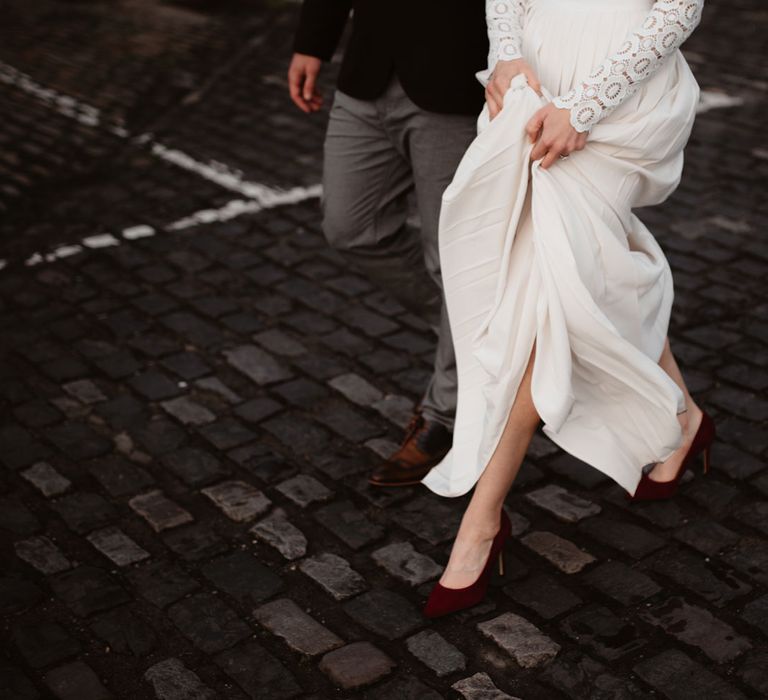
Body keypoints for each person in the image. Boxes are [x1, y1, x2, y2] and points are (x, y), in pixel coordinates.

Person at [421, 0, 715, 618]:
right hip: (532, 86)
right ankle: (683, 417)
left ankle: (481, 522)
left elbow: (680, 7)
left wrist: (585, 106)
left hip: (621, 95)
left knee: (553, 294)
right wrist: (508, 56)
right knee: (575, 276)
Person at [287, 3, 493, 487]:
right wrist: (314, 41)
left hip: (457, 78)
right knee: (350, 227)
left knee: (453, 262)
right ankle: (471, 331)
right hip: (369, 70)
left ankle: (444, 415)